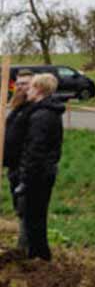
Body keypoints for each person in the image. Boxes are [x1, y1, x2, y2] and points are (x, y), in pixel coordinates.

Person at [15, 73, 64, 261]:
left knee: (34, 218)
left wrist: (26, 179)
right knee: (36, 217)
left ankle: (39, 257)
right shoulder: (47, 112)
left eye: (32, 87)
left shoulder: (41, 116)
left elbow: (35, 150)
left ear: (40, 90)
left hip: (38, 175)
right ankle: (39, 256)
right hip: (44, 171)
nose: (28, 90)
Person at [4, 70, 35, 254]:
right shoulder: (18, 107)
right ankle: (23, 246)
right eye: (19, 83)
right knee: (18, 205)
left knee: (26, 208)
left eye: (26, 83)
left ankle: (26, 249)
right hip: (14, 166)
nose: (21, 87)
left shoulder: (34, 108)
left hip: (25, 167)